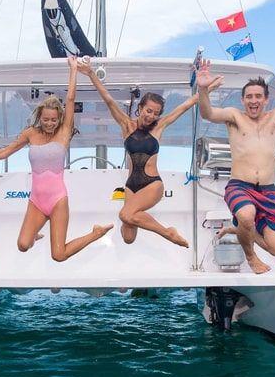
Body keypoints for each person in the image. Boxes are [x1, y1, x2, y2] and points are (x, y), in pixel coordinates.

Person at [0, 56, 113, 262]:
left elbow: (69, 99)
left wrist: (73, 69)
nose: (50, 123)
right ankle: (36, 235)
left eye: (53, 119)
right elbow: (5, 152)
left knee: (59, 256)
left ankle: (95, 234)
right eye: (46, 119)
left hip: (58, 199)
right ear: (39, 117)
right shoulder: (30, 133)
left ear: (59, 118)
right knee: (23, 245)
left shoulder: (64, 132)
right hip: (36, 200)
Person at [196, 53, 275, 274]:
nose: (253, 101)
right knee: (246, 215)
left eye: (258, 96)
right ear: (242, 100)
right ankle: (251, 256)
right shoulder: (234, 116)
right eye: (249, 97)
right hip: (239, 185)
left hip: (268, 190)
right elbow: (208, 113)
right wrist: (203, 90)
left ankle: (240, 229)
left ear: (266, 99)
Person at [77, 58, 222, 247]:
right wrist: (90, 73)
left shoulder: (159, 127)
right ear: (140, 109)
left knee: (125, 214)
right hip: (131, 185)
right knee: (128, 238)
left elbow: (187, 105)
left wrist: (207, 88)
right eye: (148, 111)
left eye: (155, 113)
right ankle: (142, 223)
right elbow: (109, 100)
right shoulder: (126, 125)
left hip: (152, 184)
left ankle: (168, 233)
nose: (151, 116)